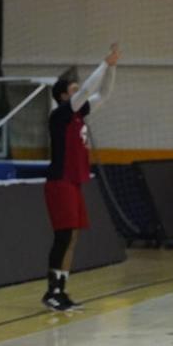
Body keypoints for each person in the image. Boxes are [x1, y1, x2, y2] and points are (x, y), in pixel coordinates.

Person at [43, 44, 120, 311]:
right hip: (59, 181)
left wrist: (112, 67)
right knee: (63, 236)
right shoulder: (60, 116)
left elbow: (104, 93)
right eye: (74, 91)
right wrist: (103, 62)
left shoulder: (79, 115)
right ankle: (51, 291)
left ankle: (61, 290)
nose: (80, 94)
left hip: (74, 181)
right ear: (64, 97)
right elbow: (88, 89)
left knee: (72, 236)